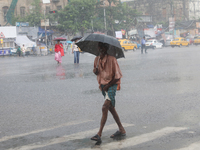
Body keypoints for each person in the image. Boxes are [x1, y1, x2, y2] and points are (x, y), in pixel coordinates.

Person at [91, 42, 126, 143]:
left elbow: (118, 76)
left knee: (105, 107)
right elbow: (98, 73)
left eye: (103, 48)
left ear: (106, 49)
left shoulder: (112, 59)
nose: (101, 50)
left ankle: (99, 134)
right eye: (99, 48)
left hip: (111, 85)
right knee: (111, 108)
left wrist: (108, 85)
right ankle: (121, 129)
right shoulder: (96, 60)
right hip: (103, 86)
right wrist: (95, 71)